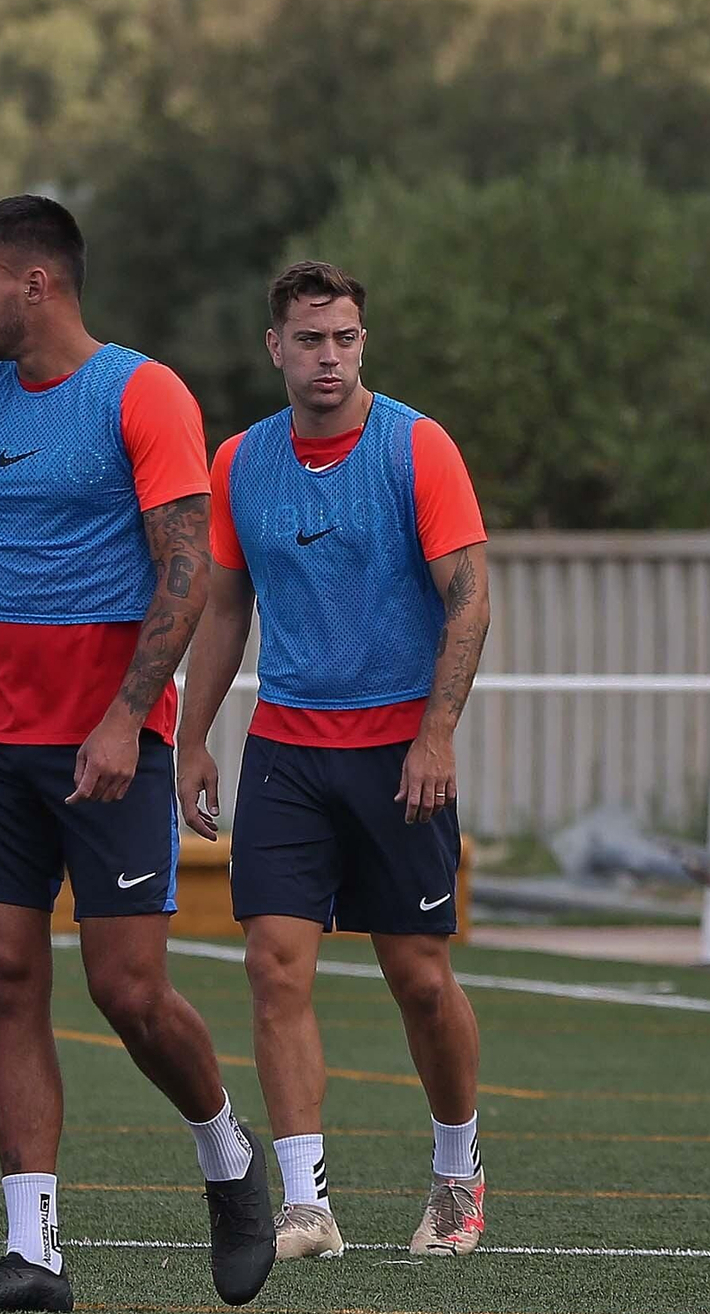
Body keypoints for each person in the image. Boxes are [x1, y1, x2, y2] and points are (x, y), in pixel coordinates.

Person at [0, 195, 274, 1313]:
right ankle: (34, 1255)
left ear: (37, 284)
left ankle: (228, 1156)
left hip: (109, 741)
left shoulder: (141, 392)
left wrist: (129, 716)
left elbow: (187, 573)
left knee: (127, 989)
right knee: (5, 980)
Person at [177, 260, 491, 1263]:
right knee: (273, 966)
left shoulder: (417, 446)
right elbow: (226, 606)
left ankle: (456, 1179)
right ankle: (307, 1204)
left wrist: (434, 733)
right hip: (287, 751)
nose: (328, 357)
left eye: (344, 338)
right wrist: (192, 734)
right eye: (309, 339)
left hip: (398, 748)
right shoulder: (240, 462)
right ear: (275, 346)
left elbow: (469, 598)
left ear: (364, 342)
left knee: (419, 978)